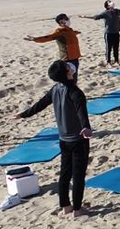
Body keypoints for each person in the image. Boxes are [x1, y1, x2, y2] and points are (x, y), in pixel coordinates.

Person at [15, 61, 92, 218]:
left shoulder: (55, 88)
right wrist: (86, 127)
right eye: (67, 67)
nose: (71, 67)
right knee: (78, 175)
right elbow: (81, 111)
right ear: (67, 73)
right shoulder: (75, 91)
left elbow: (39, 105)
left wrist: (24, 114)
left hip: (64, 139)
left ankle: (65, 207)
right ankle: (77, 209)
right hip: (78, 140)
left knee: (65, 173)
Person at [80, 0, 120, 66]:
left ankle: (116, 61)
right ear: (107, 6)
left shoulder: (117, 11)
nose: (112, 4)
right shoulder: (105, 13)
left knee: (116, 47)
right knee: (109, 48)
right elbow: (95, 17)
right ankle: (108, 62)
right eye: (109, 3)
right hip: (108, 33)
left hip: (116, 33)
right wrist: (84, 16)